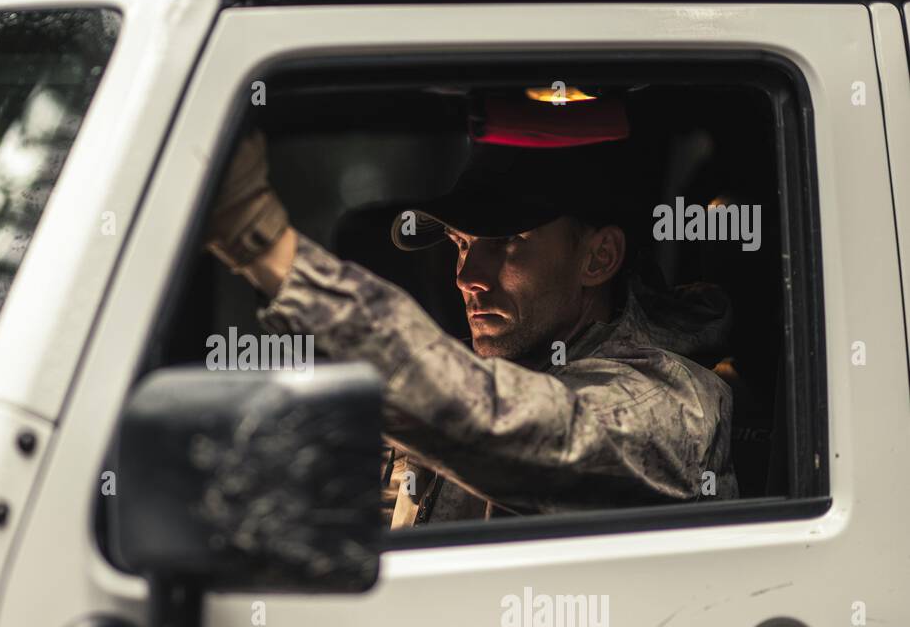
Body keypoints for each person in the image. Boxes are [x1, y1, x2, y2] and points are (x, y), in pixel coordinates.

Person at [203, 121, 738, 527]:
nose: (467, 278)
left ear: (598, 258)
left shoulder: (669, 404)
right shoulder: (486, 369)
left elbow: (497, 422)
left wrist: (268, 248)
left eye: (509, 243)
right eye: (461, 244)